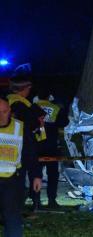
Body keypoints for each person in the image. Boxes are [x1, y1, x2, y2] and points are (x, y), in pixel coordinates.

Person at [0, 97, 42, 237]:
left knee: (12, 217)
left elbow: (31, 153)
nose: (1, 116)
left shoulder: (20, 128)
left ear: (10, 111)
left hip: (12, 180)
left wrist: (36, 175)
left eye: (4, 112)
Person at [6, 74, 44, 211]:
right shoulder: (19, 105)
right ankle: (17, 210)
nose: (30, 91)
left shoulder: (9, 102)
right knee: (20, 180)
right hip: (23, 146)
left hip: (14, 147)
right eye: (29, 88)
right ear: (24, 88)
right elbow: (31, 123)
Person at [34, 88, 68, 208]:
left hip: (36, 145)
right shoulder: (55, 108)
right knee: (53, 174)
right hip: (51, 145)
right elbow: (64, 122)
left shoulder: (33, 106)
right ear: (50, 97)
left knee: (35, 174)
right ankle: (52, 200)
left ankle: (35, 201)